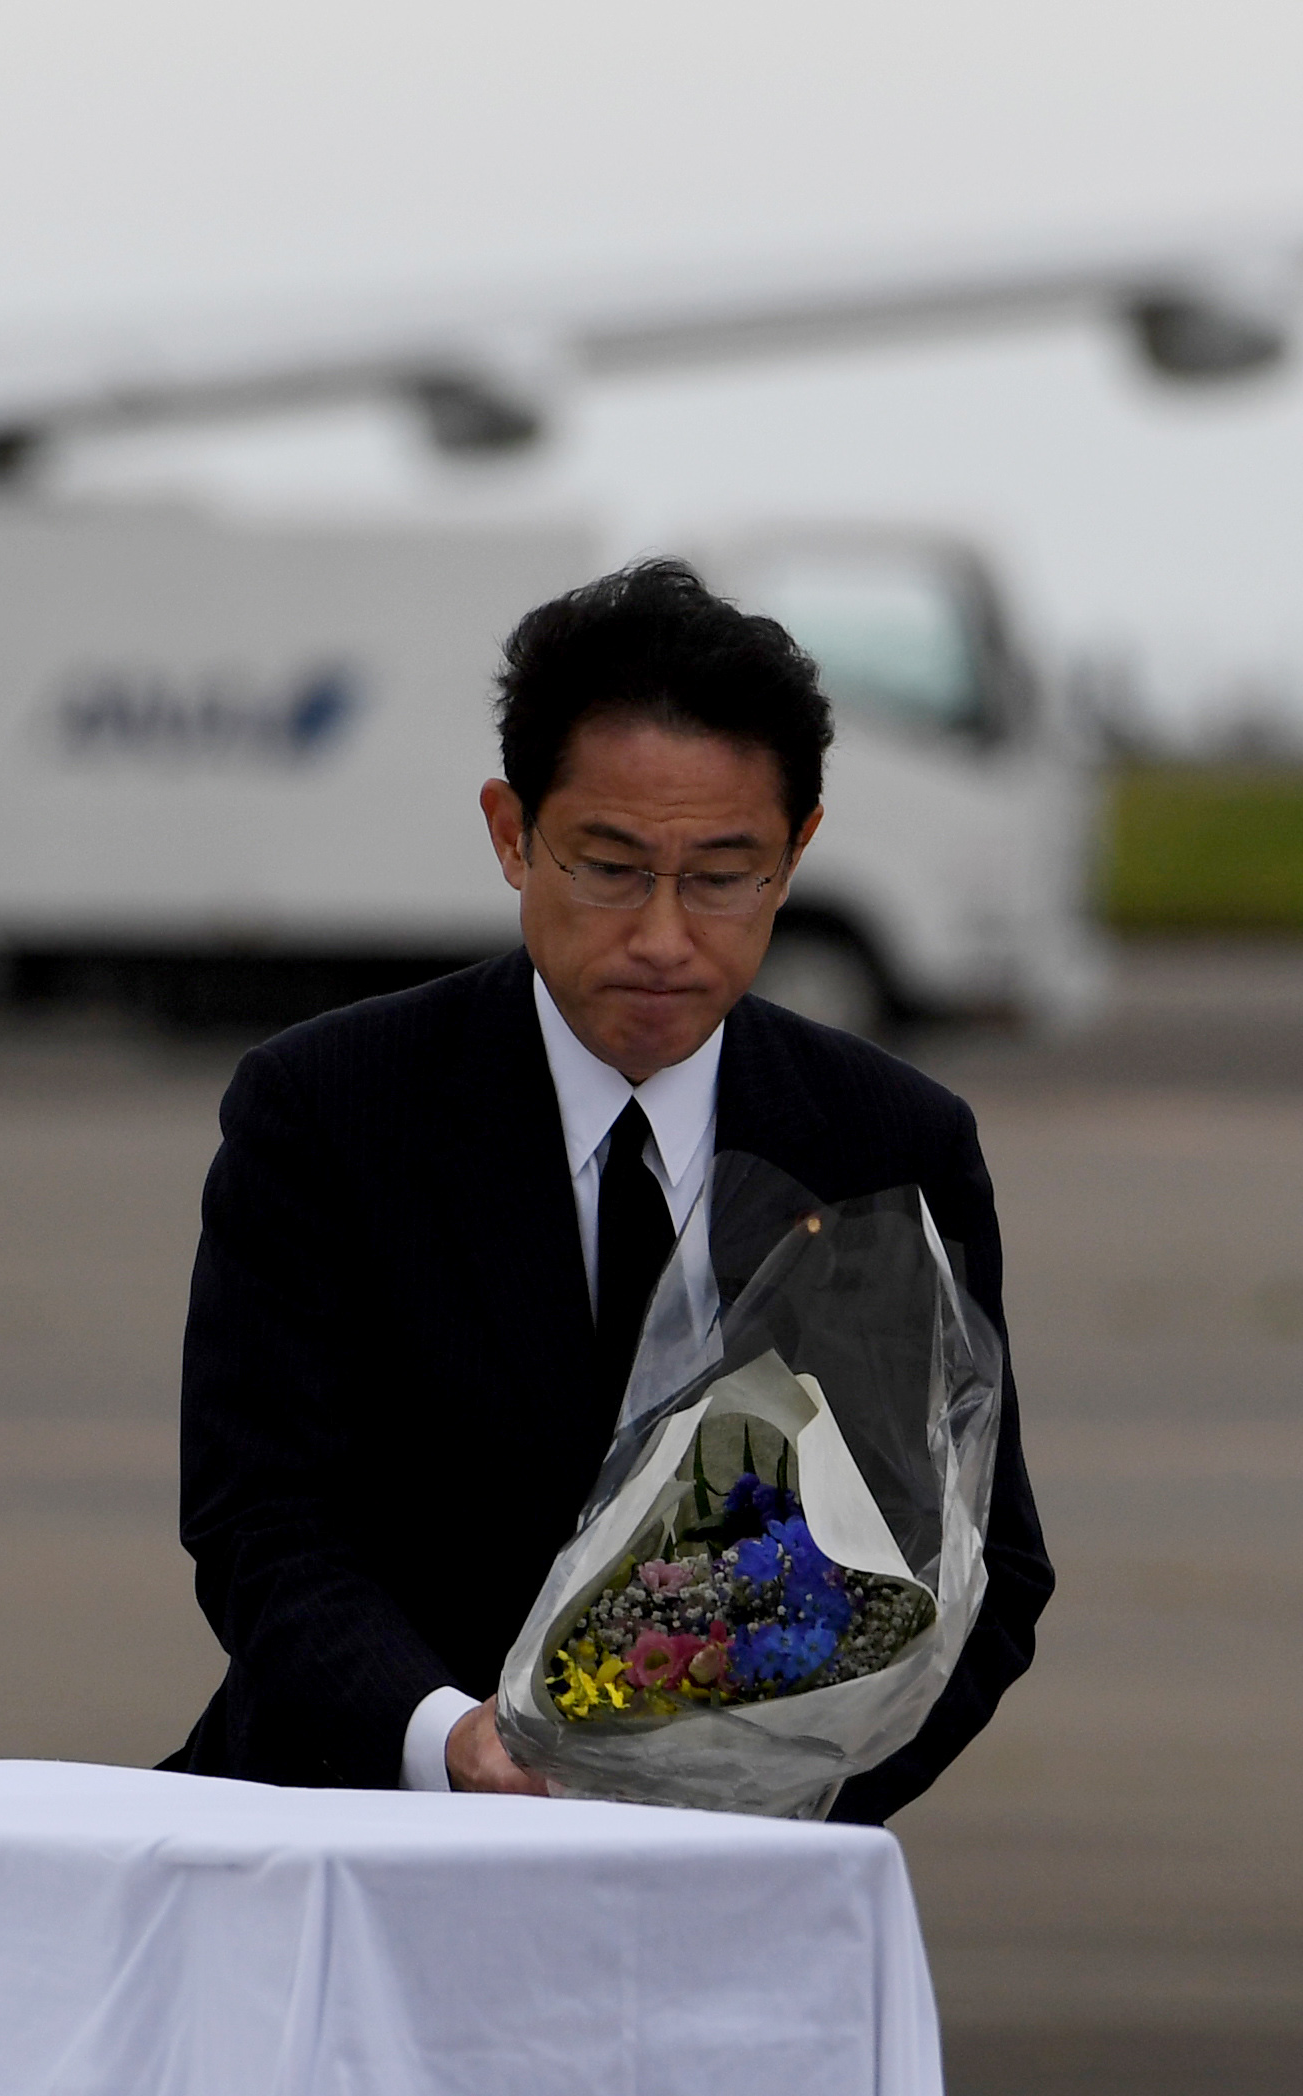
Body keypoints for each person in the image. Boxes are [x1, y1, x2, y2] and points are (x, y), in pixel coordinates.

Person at [163, 559, 1050, 1814]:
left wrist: (759, 1805)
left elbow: (981, 1566)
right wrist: (450, 1742)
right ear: (511, 834)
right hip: (354, 1829)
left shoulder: (890, 1143)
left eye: (722, 875)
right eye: (611, 867)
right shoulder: (327, 1108)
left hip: (727, 1884)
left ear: (794, 858)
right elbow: (263, 1523)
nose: (663, 937)